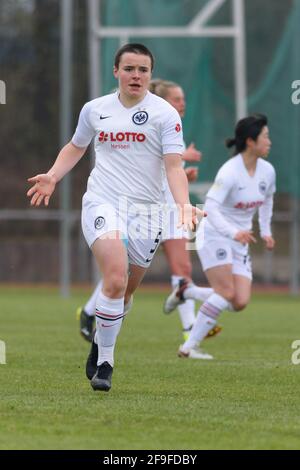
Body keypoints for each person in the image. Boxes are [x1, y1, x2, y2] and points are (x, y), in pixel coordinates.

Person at [27, 43, 204, 391]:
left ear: (150, 75)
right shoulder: (96, 109)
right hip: (103, 202)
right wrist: (52, 175)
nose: (135, 76)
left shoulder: (166, 115)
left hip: (148, 212)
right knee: (114, 277)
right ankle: (106, 361)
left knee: (124, 292)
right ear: (116, 72)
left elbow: (174, 167)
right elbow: (76, 146)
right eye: (129, 69)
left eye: (142, 70)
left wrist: (183, 203)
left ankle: (100, 340)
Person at [77, 79, 221, 351]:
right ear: (163, 99)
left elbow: (170, 169)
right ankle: (90, 313)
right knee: (118, 270)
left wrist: (184, 176)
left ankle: (188, 328)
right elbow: (140, 169)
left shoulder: (168, 123)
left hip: (170, 211)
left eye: (184, 99)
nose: (182, 104)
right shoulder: (139, 119)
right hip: (140, 210)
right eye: (177, 99)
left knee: (177, 269)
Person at [164, 113, 276, 359]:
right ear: (250, 141)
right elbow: (211, 207)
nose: (269, 141)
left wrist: (266, 232)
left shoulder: (267, 171)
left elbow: (267, 200)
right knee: (225, 292)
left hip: (239, 239)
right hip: (214, 233)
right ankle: (188, 346)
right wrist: (233, 232)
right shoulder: (229, 172)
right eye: (265, 137)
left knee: (239, 301)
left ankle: (187, 291)